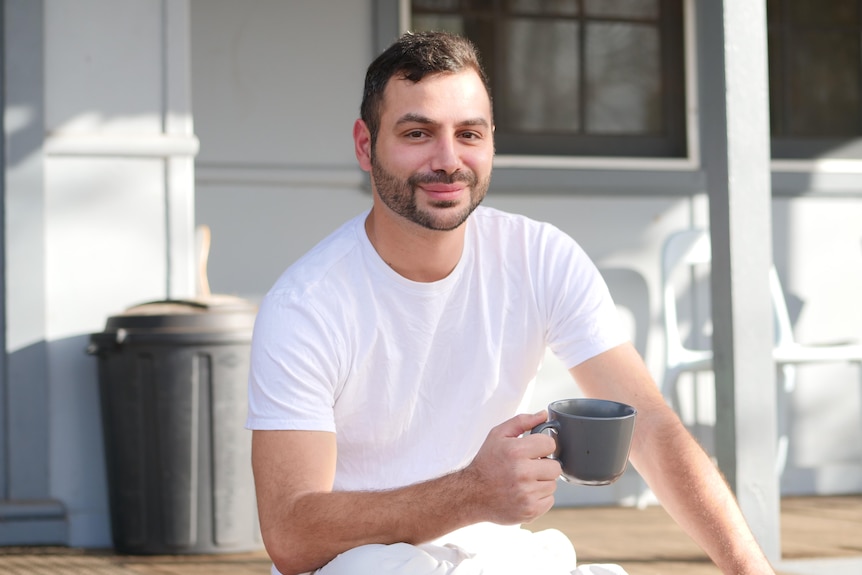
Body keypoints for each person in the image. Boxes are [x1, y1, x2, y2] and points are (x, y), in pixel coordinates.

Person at [247, 31, 776, 575]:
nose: (448, 159)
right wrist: (471, 493)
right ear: (365, 145)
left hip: (495, 557)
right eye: (417, 133)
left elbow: (652, 430)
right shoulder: (306, 306)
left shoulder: (539, 256)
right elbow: (291, 533)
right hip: (362, 564)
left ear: (492, 141)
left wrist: (750, 570)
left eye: (468, 133)